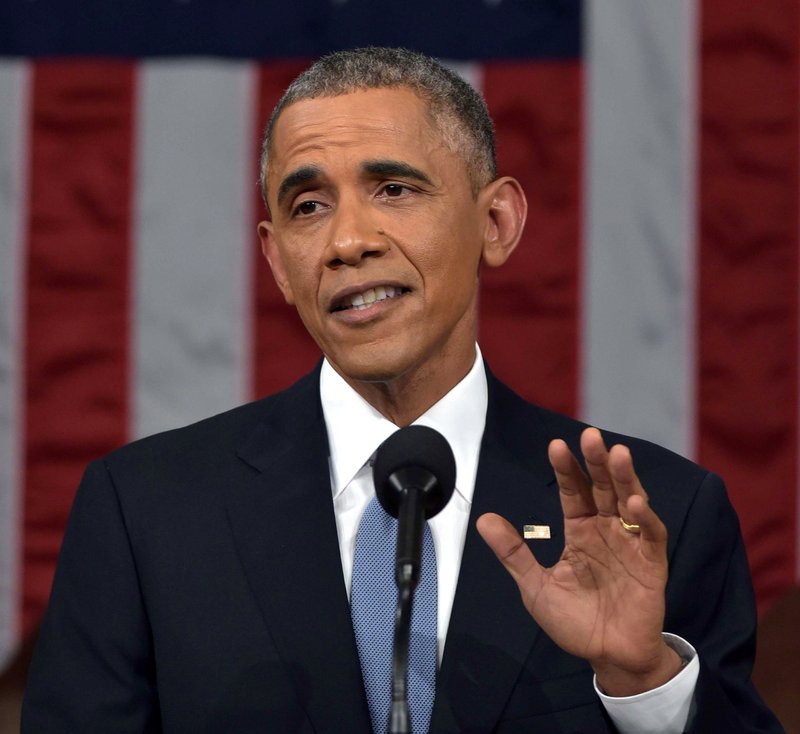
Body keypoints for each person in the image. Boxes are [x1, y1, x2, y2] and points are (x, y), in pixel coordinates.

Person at [22, 47, 782, 733]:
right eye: (309, 206)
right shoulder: (146, 512)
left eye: (393, 189)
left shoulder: (660, 513)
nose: (349, 241)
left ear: (496, 221)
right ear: (280, 261)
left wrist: (641, 683)